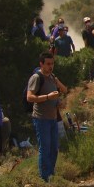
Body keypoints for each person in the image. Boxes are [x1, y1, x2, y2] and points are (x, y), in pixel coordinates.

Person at [27, 52, 68, 180]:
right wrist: (48, 97)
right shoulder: (36, 77)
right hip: (41, 118)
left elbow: (64, 90)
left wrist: (58, 102)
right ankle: (44, 178)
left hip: (53, 118)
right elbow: (29, 97)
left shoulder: (52, 77)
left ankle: (51, 174)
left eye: (52, 64)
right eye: (48, 64)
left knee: (54, 148)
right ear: (41, 64)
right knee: (45, 149)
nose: (51, 66)